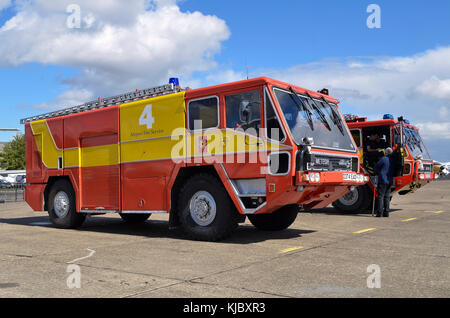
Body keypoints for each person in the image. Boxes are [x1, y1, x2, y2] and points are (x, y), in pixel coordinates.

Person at [374, 147, 395, 217]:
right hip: (390, 180)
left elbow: (376, 166)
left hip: (382, 179)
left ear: (386, 152)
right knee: (387, 197)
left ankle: (379, 213)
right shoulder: (392, 160)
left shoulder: (384, 159)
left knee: (381, 196)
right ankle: (386, 212)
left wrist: (377, 172)